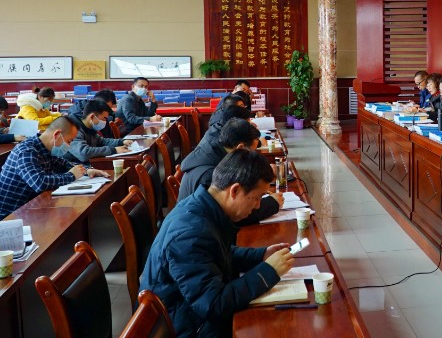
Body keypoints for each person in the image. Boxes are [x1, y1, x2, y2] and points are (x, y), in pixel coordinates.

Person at [140, 149, 295, 337]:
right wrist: (268, 272)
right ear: (235, 190)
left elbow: (217, 254)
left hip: (191, 315)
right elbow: (214, 304)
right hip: (187, 328)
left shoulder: (203, 206)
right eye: (256, 198)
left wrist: (261, 256)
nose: (257, 206)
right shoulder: (190, 234)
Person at [178, 118, 283, 225]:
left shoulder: (214, 152)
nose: (253, 155)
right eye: (252, 151)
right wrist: (272, 203)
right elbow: (233, 214)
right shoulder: (210, 173)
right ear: (240, 147)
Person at [0, 116, 109, 218]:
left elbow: (64, 164)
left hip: (32, 208)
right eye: (69, 141)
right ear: (57, 135)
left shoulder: (44, 148)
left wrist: (87, 170)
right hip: (11, 216)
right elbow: (40, 183)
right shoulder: (26, 152)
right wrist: (71, 175)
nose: (69, 146)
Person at [61, 100, 133, 163]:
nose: (105, 121)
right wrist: (114, 150)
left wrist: (122, 142)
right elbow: (83, 153)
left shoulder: (89, 127)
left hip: (85, 163)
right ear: (92, 116)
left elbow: (102, 141)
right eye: (104, 118)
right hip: (71, 166)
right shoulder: (72, 129)